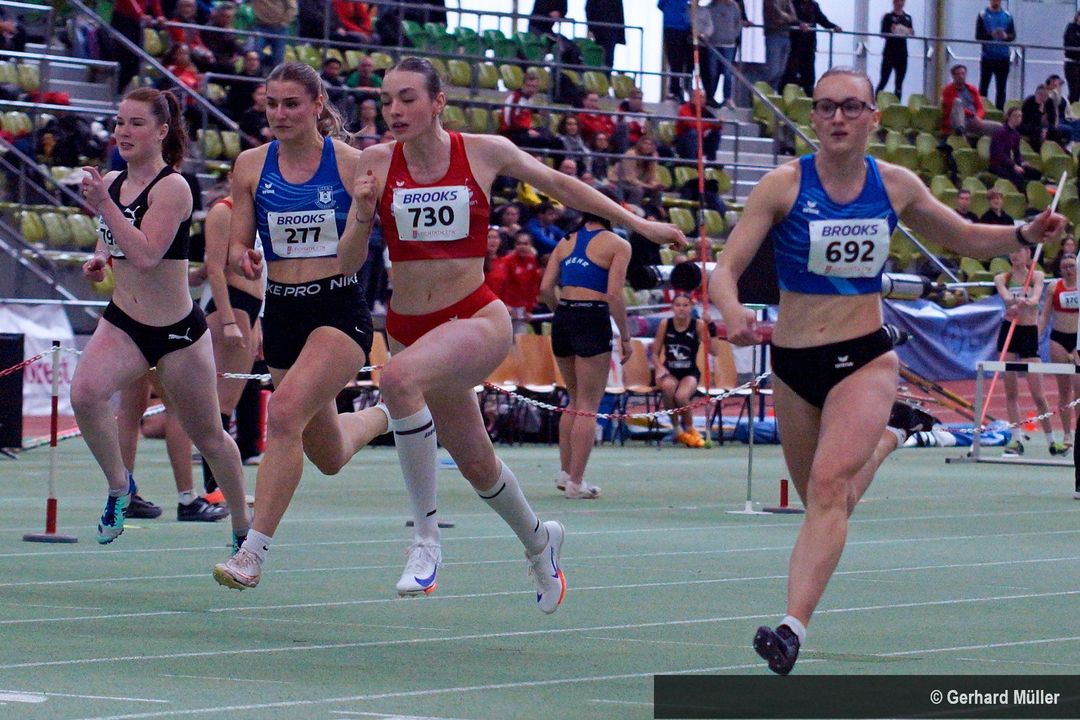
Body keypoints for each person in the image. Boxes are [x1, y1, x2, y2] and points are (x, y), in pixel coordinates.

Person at [708, 66, 1067, 674]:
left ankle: (791, 628)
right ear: (813, 117)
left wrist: (1023, 232)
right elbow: (724, 270)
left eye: (851, 107)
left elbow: (965, 238)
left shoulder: (895, 185)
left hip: (865, 356)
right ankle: (892, 435)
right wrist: (733, 309)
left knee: (828, 488)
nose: (838, 118)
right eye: (826, 107)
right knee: (827, 499)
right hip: (793, 363)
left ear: (874, 117)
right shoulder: (782, 186)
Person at [337, 56, 684, 608]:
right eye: (386, 100)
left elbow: (560, 184)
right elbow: (348, 261)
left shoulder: (484, 151)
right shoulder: (375, 162)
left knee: (398, 380)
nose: (394, 110)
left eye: (407, 98)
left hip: (474, 317)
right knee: (477, 464)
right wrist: (361, 211)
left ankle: (425, 541)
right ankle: (540, 541)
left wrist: (639, 224)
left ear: (438, 102)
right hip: (407, 325)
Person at [211, 61, 391, 591]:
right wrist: (244, 256)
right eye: (272, 104)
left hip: (339, 310)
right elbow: (239, 243)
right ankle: (387, 415)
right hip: (283, 311)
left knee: (284, 413)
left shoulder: (351, 164)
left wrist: (363, 214)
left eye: (292, 104)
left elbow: (360, 255)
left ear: (317, 105)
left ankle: (252, 552)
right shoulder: (250, 165)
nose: (280, 114)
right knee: (328, 453)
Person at [71, 87, 250, 547]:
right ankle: (119, 486)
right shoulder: (113, 181)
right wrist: (100, 257)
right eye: (119, 122)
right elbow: (112, 235)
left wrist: (103, 205)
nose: (123, 132)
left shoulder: (173, 187)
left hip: (177, 333)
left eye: (136, 123)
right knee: (85, 395)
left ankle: (243, 528)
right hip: (125, 322)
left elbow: (148, 255)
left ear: (162, 131)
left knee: (209, 436)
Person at [540, 213, 631, 499]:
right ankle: (576, 483)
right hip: (592, 317)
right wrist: (625, 336)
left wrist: (561, 314)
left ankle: (566, 473)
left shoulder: (565, 241)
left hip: (564, 317)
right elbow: (614, 295)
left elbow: (545, 288)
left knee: (574, 398)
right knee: (588, 406)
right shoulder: (617, 244)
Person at [198, 178, 266, 496]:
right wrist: (227, 320)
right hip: (232, 306)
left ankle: (220, 485)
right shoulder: (223, 212)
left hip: (251, 308)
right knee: (221, 405)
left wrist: (257, 323)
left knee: (230, 402)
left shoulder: (255, 215)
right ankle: (214, 487)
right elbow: (214, 269)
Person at [994, 245, 1057, 456]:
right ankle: (1016, 440)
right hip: (1009, 332)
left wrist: (1024, 301)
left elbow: (1035, 300)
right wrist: (1016, 301)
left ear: (1028, 254)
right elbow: (1005, 297)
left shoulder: (1037, 275)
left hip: (1028, 333)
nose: (1014, 255)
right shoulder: (1001, 278)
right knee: (1011, 392)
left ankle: (1052, 441)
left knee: (1038, 394)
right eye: (1011, 251)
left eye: (1019, 251)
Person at [653, 293, 712, 448]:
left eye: (685, 305)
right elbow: (654, 353)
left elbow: (714, 350)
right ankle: (677, 429)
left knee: (681, 396)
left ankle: (690, 428)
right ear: (672, 307)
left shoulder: (698, 325)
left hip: (689, 372)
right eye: (678, 305)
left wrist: (710, 326)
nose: (681, 308)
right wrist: (659, 368)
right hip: (670, 371)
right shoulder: (665, 324)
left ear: (691, 307)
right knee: (668, 387)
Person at [1038, 252, 1078, 454]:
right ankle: (1067, 433)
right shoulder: (1054, 287)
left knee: (1079, 390)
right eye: (1065, 267)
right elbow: (1045, 316)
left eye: (1072, 266)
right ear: (1060, 269)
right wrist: (1034, 337)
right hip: (1059, 340)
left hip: (1078, 341)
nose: (1069, 270)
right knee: (1064, 390)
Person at [782, 0, 841, 98]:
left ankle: (810, 100)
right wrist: (799, 24)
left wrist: (834, 27)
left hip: (809, 46)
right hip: (794, 46)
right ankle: (785, 97)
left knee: (809, 76)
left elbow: (822, 20)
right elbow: (790, 19)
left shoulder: (814, 5)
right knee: (790, 74)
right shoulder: (792, 3)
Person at [697, 0, 748, 109]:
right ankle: (710, 97)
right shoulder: (710, 7)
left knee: (727, 73)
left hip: (729, 45)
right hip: (713, 44)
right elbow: (707, 24)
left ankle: (727, 98)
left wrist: (733, 35)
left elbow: (738, 22)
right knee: (712, 72)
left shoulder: (733, 6)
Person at [989, 109, 1042, 194]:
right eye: (1015, 116)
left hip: (1008, 165)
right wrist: (1014, 165)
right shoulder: (1000, 132)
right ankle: (1021, 196)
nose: (1018, 118)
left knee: (1035, 173)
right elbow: (998, 154)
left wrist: (1021, 163)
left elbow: (1017, 153)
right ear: (1009, 117)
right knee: (1017, 176)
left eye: (1020, 116)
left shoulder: (1016, 134)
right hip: (997, 165)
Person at [975, 0, 1015, 111]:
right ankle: (981, 111)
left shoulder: (1007, 16)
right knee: (984, 87)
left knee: (1001, 88)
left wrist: (1005, 36)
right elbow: (978, 36)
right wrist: (991, 35)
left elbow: (1012, 36)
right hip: (988, 57)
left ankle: (999, 112)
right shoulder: (983, 15)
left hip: (1003, 57)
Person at [942, 64, 1000, 138]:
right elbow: (951, 107)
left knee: (999, 128)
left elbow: (980, 107)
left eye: (963, 74)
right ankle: (960, 130)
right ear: (953, 76)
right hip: (957, 121)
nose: (961, 76)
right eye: (958, 74)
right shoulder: (948, 90)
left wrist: (978, 117)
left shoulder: (972, 89)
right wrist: (972, 115)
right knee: (957, 102)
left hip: (973, 121)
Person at [877, 0, 913, 100]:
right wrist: (891, 31)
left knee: (899, 83)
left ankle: (897, 104)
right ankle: (875, 102)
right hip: (889, 52)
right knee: (884, 80)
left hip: (902, 53)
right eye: (898, 1)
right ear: (894, 2)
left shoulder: (907, 17)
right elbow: (882, 34)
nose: (900, 3)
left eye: (902, 1)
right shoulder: (888, 17)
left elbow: (911, 32)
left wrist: (910, 32)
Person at [659, 0, 693, 101]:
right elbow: (661, 5)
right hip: (673, 27)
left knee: (680, 62)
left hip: (681, 27)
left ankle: (679, 89)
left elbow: (661, 5)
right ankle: (675, 90)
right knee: (675, 62)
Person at [763, 0, 798, 92]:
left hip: (786, 36)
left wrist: (784, 18)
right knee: (773, 70)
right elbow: (775, 14)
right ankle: (760, 92)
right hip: (773, 35)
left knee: (780, 71)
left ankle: (772, 93)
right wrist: (786, 17)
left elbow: (793, 17)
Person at [585, 0, 625, 68]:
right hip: (606, 29)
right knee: (602, 57)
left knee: (604, 57)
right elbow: (619, 13)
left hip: (603, 29)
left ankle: (604, 72)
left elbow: (588, 8)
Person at [1065, 12, 1080, 104]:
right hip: (1072, 63)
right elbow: (1071, 43)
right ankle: (1069, 107)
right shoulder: (1071, 28)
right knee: (1074, 90)